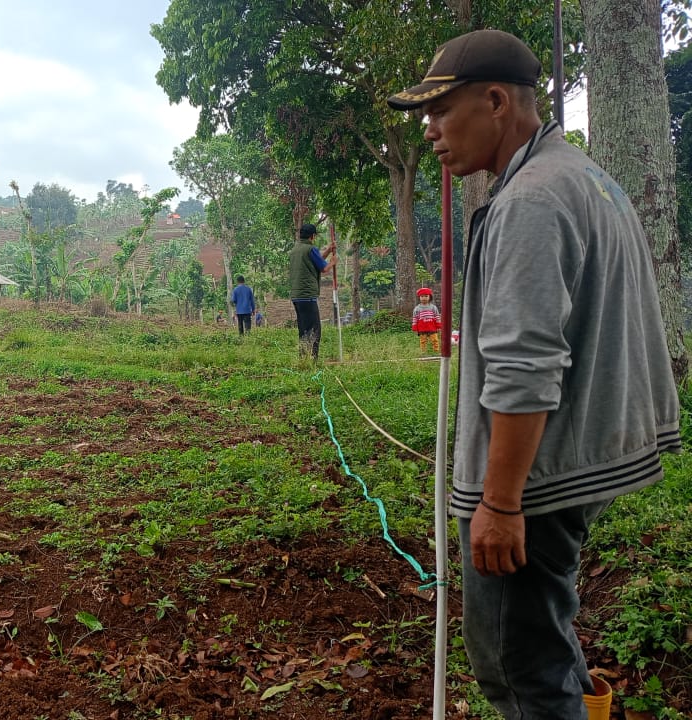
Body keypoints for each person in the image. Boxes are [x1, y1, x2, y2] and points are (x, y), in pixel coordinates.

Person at [388, 29, 681, 720]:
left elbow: (526, 363)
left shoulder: (530, 202)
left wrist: (501, 503)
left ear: (495, 101)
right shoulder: (587, 179)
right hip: (587, 454)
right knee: (544, 636)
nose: (429, 131)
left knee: (517, 669)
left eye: (440, 111)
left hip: (539, 478)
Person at [287, 223, 336, 361]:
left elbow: (316, 260)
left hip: (297, 296)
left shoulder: (295, 250)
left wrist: (328, 250)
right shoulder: (310, 249)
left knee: (303, 330)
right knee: (314, 329)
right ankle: (312, 360)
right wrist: (333, 262)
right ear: (312, 236)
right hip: (308, 296)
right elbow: (324, 268)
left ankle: (303, 358)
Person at [411, 287, 442, 354]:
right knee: (423, 341)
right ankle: (423, 352)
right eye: (422, 296)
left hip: (432, 327)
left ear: (430, 297)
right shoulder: (417, 309)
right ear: (419, 297)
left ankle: (436, 351)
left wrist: (439, 326)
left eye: (426, 296)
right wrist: (415, 328)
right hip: (422, 328)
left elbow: (437, 317)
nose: (424, 298)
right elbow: (415, 318)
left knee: (435, 340)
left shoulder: (433, 307)